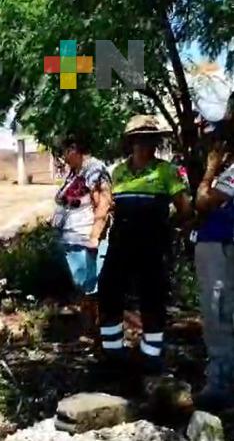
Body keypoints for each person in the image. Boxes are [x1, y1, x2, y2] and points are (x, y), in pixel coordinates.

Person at [97, 115, 192, 376]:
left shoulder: (166, 171)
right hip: (120, 244)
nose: (144, 144)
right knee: (108, 292)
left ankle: (151, 357)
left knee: (152, 298)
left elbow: (184, 208)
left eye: (149, 139)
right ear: (130, 142)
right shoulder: (118, 172)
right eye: (139, 139)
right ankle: (113, 353)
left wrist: (180, 234)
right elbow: (109, 207)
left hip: (153, 245)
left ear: (155, 141)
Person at [193, 98, 234, 411]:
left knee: (219, 314)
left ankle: (221, 384)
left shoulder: (227, 171)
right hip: (217, 244)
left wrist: (210, 169)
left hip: (222, 246)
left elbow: (204, 201)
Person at [51, 135, 112, 342]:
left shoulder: (94, 169)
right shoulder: (76, 172)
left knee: (91, 288)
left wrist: (95, 236)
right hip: (73, 239)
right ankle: (91, 332)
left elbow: (103, 203)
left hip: (85, 238)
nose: (64, 158)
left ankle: (94, 334)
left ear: (74, 150)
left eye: (65, 153)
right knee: (83, 286)